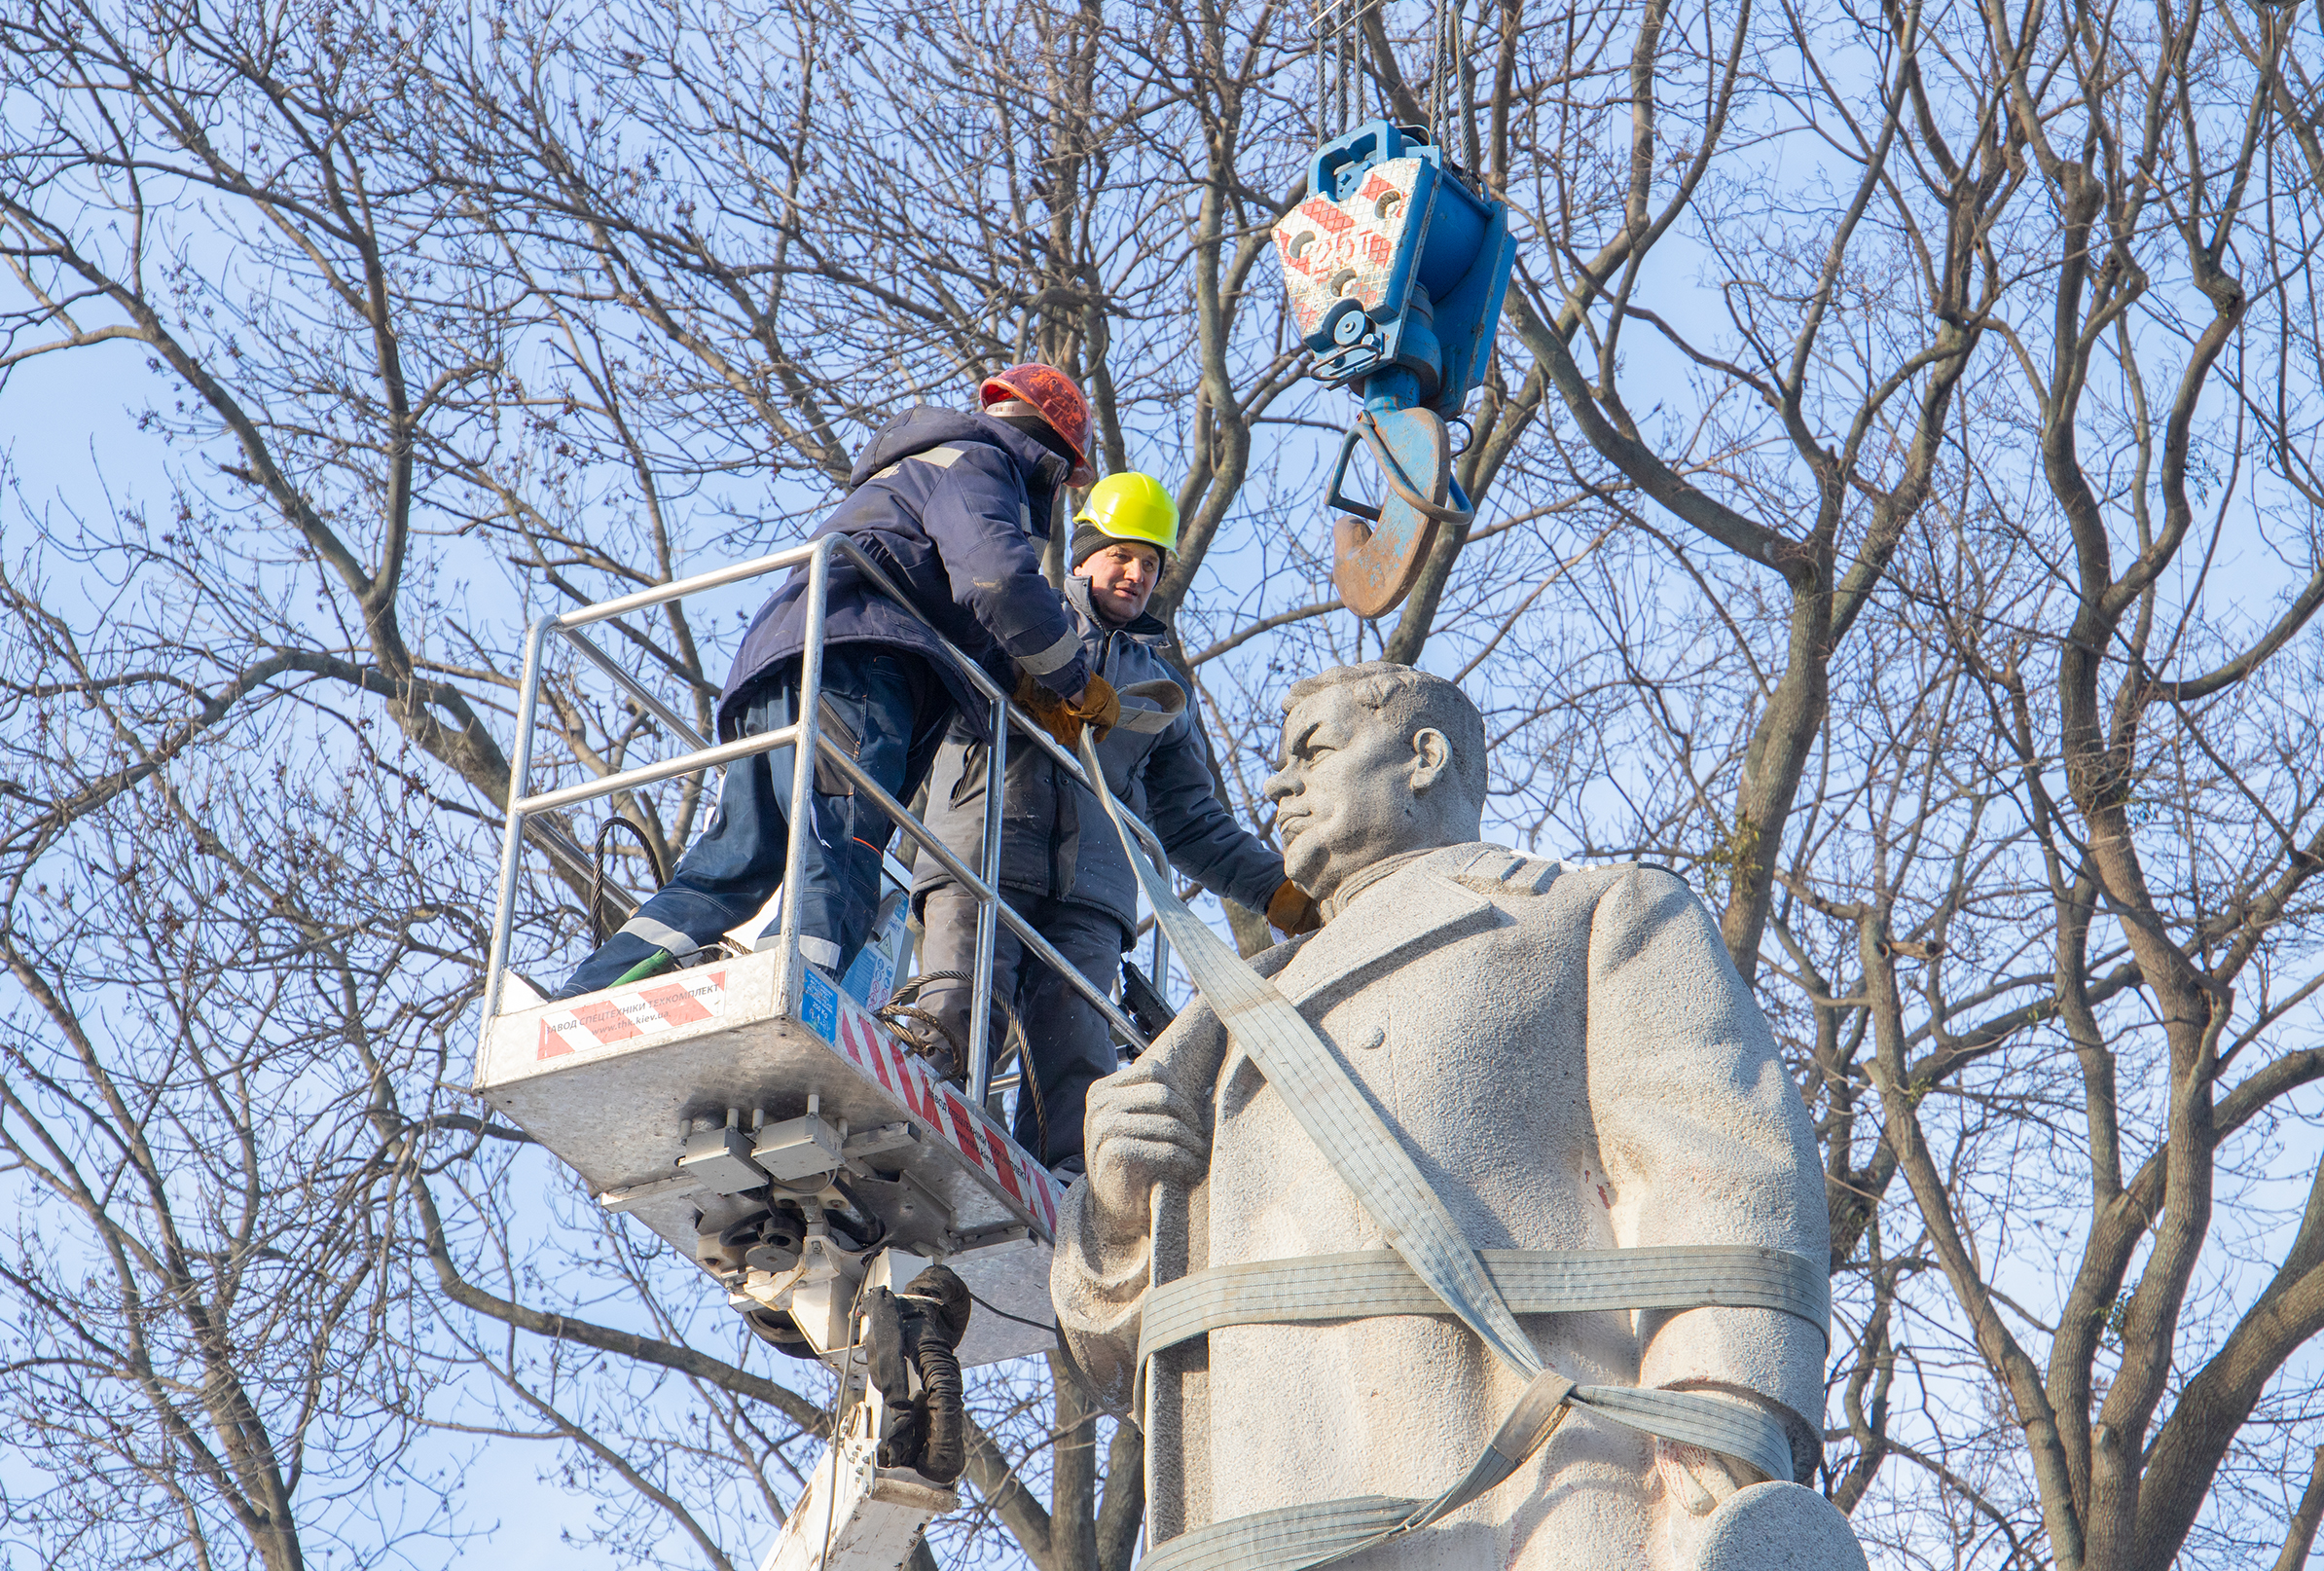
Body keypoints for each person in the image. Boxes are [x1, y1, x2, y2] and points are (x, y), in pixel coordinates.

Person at [1052, 663, 1849, 1571]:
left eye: (1313, 751)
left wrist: (1715, 1439)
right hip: (1265, 1522)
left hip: (1532, 1501)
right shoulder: (1222, 1019)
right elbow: (1120, 1349)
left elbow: (1722, 1179)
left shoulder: (1580, 917)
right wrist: (1114, 1214)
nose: (1277, 784)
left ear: (1423, 757)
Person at [562, 365, 1124, 997]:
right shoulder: (981, 462)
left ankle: (593, 995)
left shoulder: (921, 468)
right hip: (859, 668)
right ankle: (792, 1001)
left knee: (731, 866)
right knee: (841, 854)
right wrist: (1072, 678)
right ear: (1050, 458)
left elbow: (945, 599)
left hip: (784, 658)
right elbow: (995, 580)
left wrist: (1022, 684)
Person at [910, 471, 1322, 1173]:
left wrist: (1285, 894)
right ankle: (920, 1130)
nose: (1136, 574)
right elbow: (934, 683)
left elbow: (1192, 823)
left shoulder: (1160, 693)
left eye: (1151, 563)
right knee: (959, 1009)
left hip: (1090, 899)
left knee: (1078, 1061)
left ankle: (1061, 1194)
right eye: (1121, 555)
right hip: (983, 855)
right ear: (1082, 557)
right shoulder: (1009, 622)